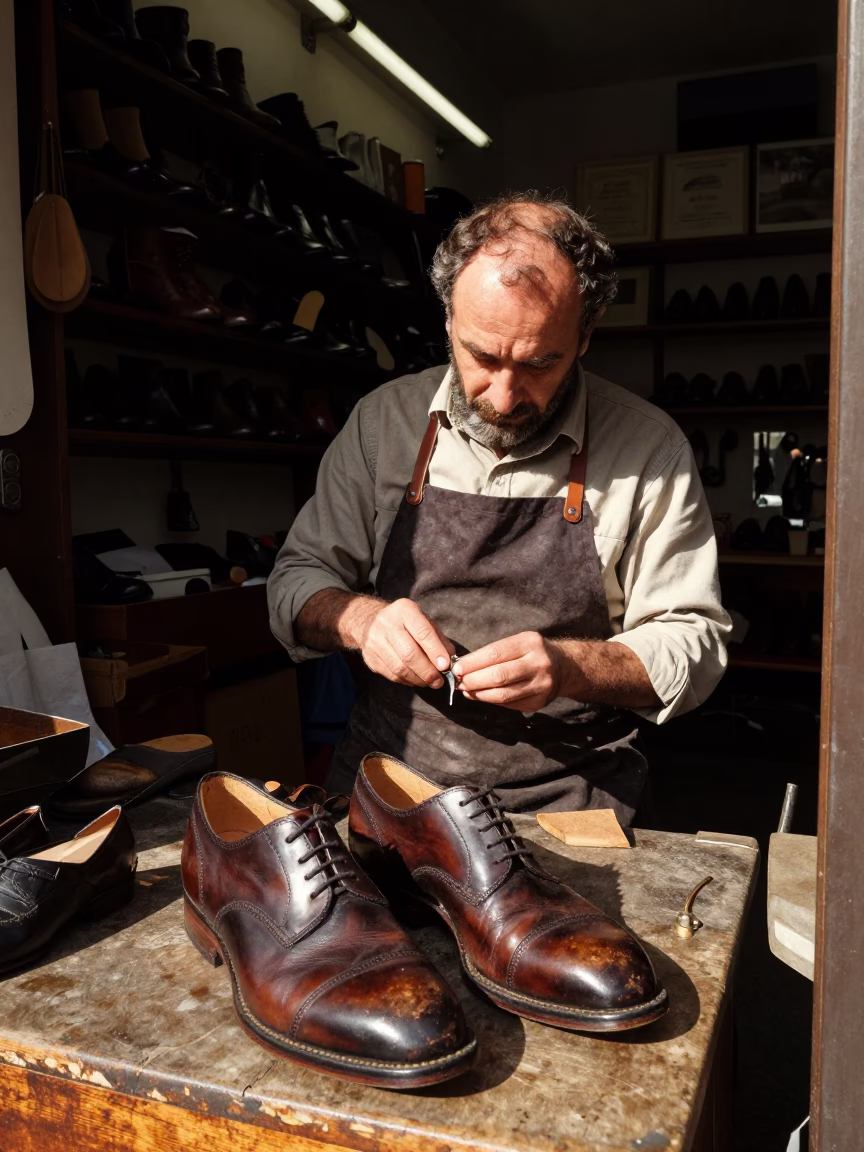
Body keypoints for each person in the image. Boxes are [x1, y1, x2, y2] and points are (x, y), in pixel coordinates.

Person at [268, 192, 730, 819]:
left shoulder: (648, 448)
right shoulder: (383, 424)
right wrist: (362, 620)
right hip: (393, 786)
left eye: (540, 363)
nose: (505, 396)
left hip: (570, 795)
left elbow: (693, 641)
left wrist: (568, 668)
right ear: (448, 321)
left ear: (586, 335)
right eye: (481, 357)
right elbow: (295, 581)